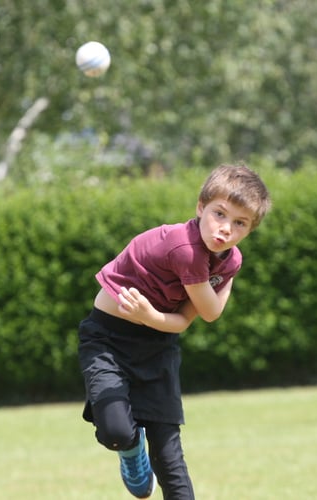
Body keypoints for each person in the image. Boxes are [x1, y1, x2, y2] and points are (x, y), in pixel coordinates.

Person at [78, 164, 271, 499]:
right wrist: (149, 314)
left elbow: (189, 320)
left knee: (169, 455)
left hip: (159, 341)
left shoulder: (229, 259)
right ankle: (131, 448)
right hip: (108, 339)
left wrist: (149, 315)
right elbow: (211, 311)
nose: (225, 229)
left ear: (250, 229)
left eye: (240, 223)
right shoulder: (186, 249)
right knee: (116, 432)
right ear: (200, 208)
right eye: (219, 214)